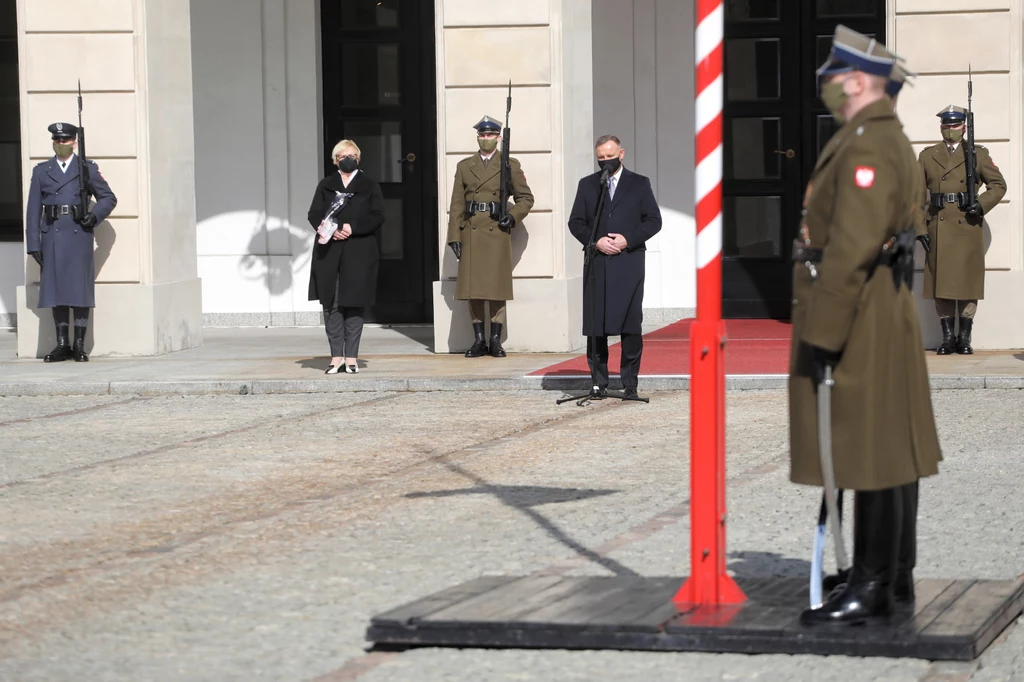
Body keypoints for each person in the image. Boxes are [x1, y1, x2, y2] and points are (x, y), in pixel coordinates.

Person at [790, 26, 941, 626]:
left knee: (873, 452)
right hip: (879, 309)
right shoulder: (875, 136)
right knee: (887, 450)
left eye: (834, 73)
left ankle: (874, 585)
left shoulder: (868, 145)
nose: (826, 82)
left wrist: (823, 335)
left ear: (856, 81)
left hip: (862, 315)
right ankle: (889, 574)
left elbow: (851, 247)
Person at [567, 135, 662, 399]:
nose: (605, 162)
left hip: (628, 263)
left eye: (610, 157)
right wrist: (595, 241)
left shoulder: (639, 184)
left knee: (630, 326)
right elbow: (576, 222)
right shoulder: (588, 185)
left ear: (622, 154)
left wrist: (627, 239)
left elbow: (654, 220)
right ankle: (598, 382)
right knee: (597, 325)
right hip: (598, 264)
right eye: (601, 158)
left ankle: (630, 382)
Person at [25, 121, 117, 362]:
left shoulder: (86, 169)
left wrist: (94, 216)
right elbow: (33, 210)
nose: (60, 144)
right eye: (57, 140)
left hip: (79, 233)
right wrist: (34, 244)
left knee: (79, 290)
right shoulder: (41, 171)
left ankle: (79, 344)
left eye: (65, 140)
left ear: (74, 142)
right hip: (52, 235)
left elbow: (108, 197)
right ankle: (62, 344)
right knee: (57, 290)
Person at [919, 105, 1006, 355]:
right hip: (938, 224)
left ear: (964, 128)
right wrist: (918, 227)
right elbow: (914, 195)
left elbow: (998, 185)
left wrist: (980, 205)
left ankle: (964, 338)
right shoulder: (927, 155)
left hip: (967, 224)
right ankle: (947, 338)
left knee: (967, 282)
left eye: (955, 126)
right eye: (946, 126)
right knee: (941, 282)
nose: (950, 130)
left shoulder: (976, 153)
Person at [446, 115, 534, 358]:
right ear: (478, 137)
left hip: (496, 230)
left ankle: (495, 340)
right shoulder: (464, 166)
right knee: (473, 289)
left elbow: (526, 198)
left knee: (496, 289)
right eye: (482, 135)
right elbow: (456, 204)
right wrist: (454, 235)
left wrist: (513, 216)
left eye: (491, 135)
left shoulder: (510, 165)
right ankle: (478, 340)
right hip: (471, 230)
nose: (486, 139)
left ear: (499, 138)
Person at [307, 140, 385, 374]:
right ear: (335, 160)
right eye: (342, 155)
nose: (347, 158)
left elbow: (378, 216)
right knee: (332, 304)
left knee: (353, 304)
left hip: (359, 252)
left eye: (352, 155)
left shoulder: (370, 185)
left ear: (358, 159)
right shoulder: (326, 185)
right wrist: (333, 229)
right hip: (329, 252)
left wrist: (351, 228)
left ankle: (351, 357)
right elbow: (314, 214)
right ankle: (336, 356)